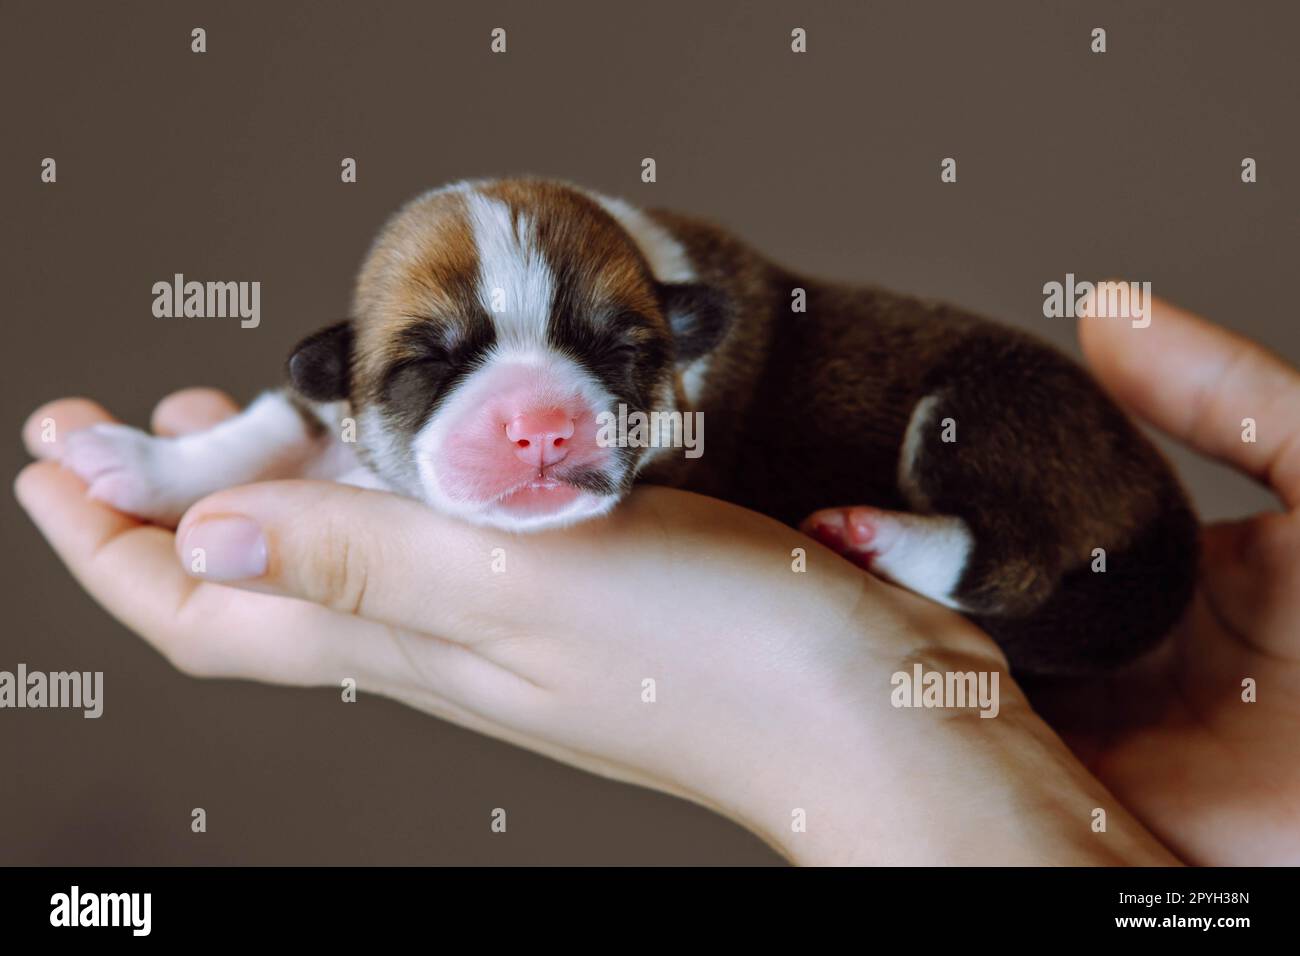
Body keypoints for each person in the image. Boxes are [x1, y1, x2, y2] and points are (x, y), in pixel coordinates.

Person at [16, 295, 1300, 865]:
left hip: (1047, 514)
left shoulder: (711, 349)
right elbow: (325, 404)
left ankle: (972, 558)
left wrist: (849, 748)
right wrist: (195, 459)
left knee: (992, 447)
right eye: (442, 366)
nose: (531, 423)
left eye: (596, 360)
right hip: (1106, 666)